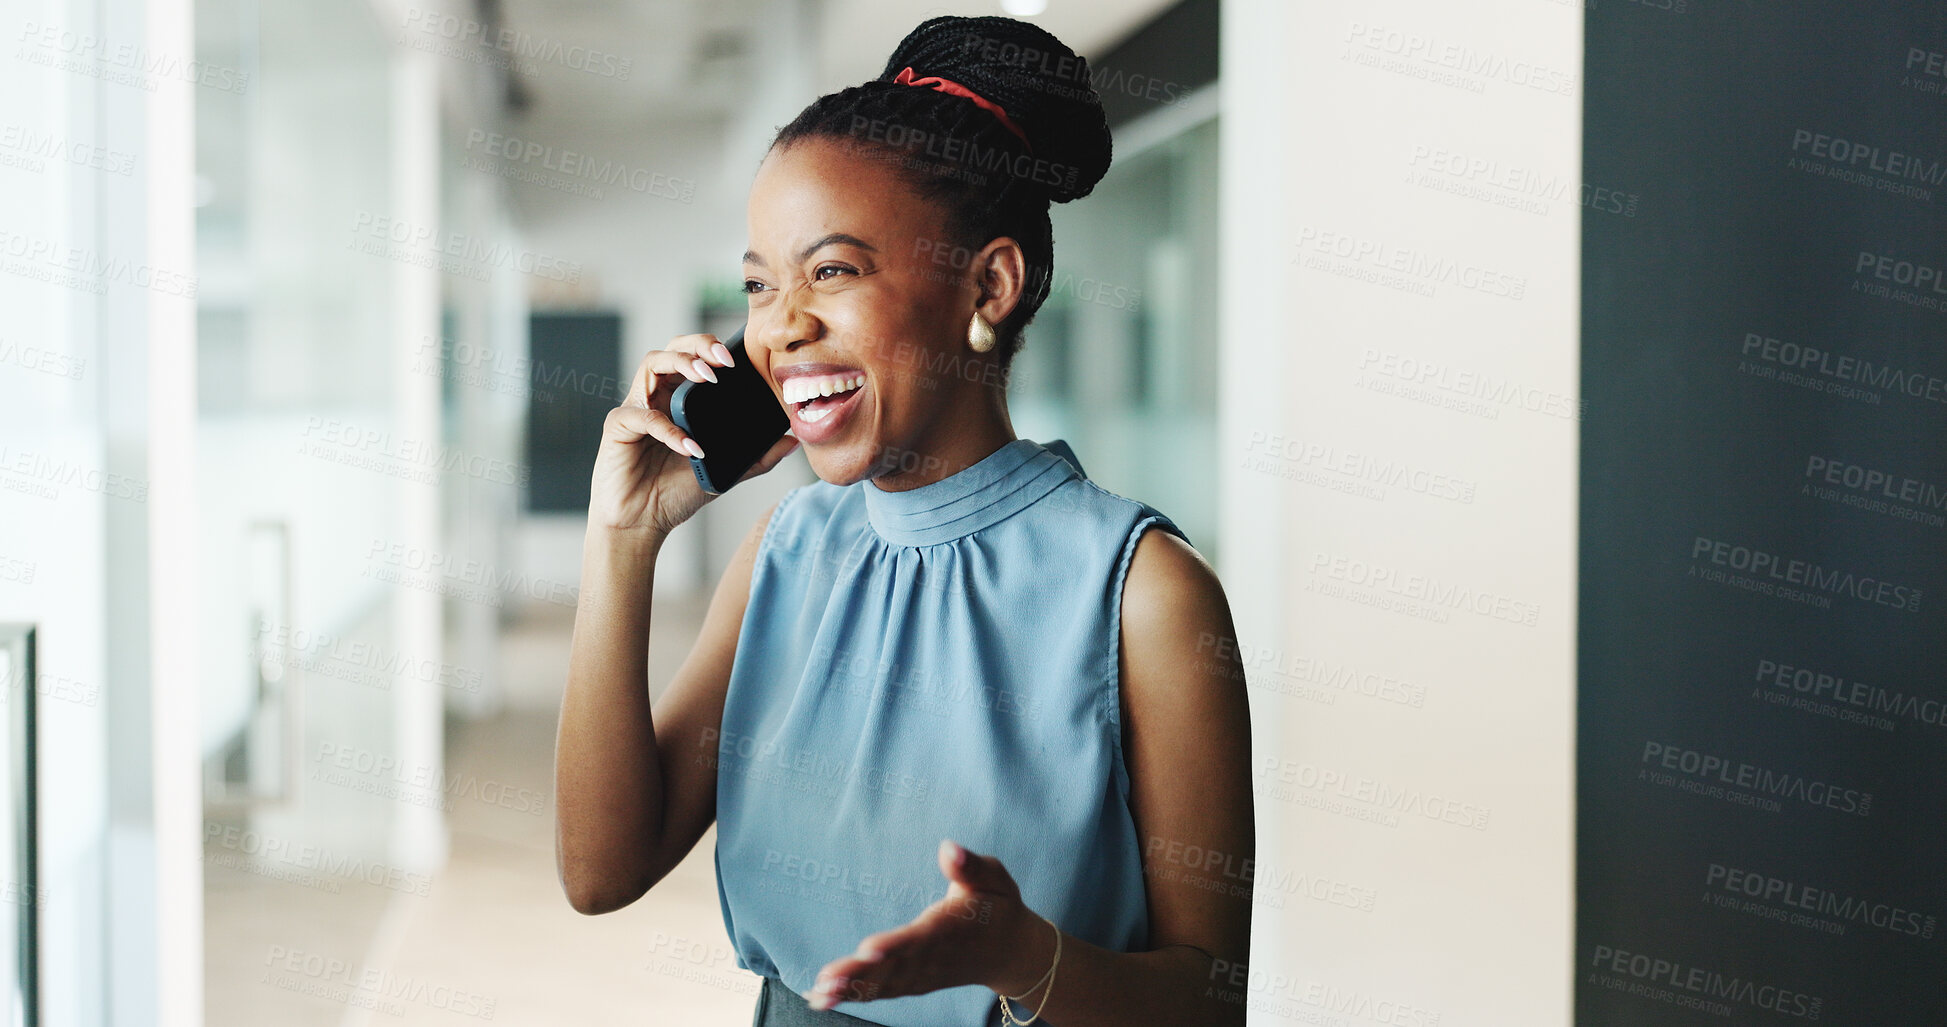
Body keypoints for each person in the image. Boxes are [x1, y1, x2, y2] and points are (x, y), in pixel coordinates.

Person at [555, 15, 1252, 1026]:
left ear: (990, 286)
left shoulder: (1144, 591)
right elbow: (599, 868)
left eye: (832, 271)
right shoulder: (787, 551)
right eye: (759, 283)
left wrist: (1029, 959)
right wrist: (621, 540)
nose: (781, 324)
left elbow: (1211, 1001)